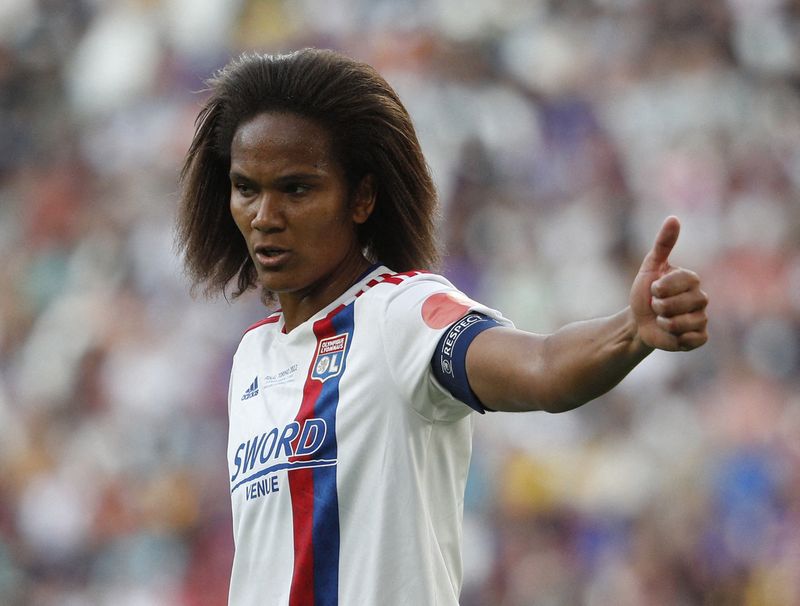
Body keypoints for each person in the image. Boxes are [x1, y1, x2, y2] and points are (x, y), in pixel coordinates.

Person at [176, 48, 708, 606]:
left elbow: (543, 366)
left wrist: (633, 331)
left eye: (297, 189)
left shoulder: (400, 314)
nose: (265, 215)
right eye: (247, 188)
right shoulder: (250, 359)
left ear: (362, 198)